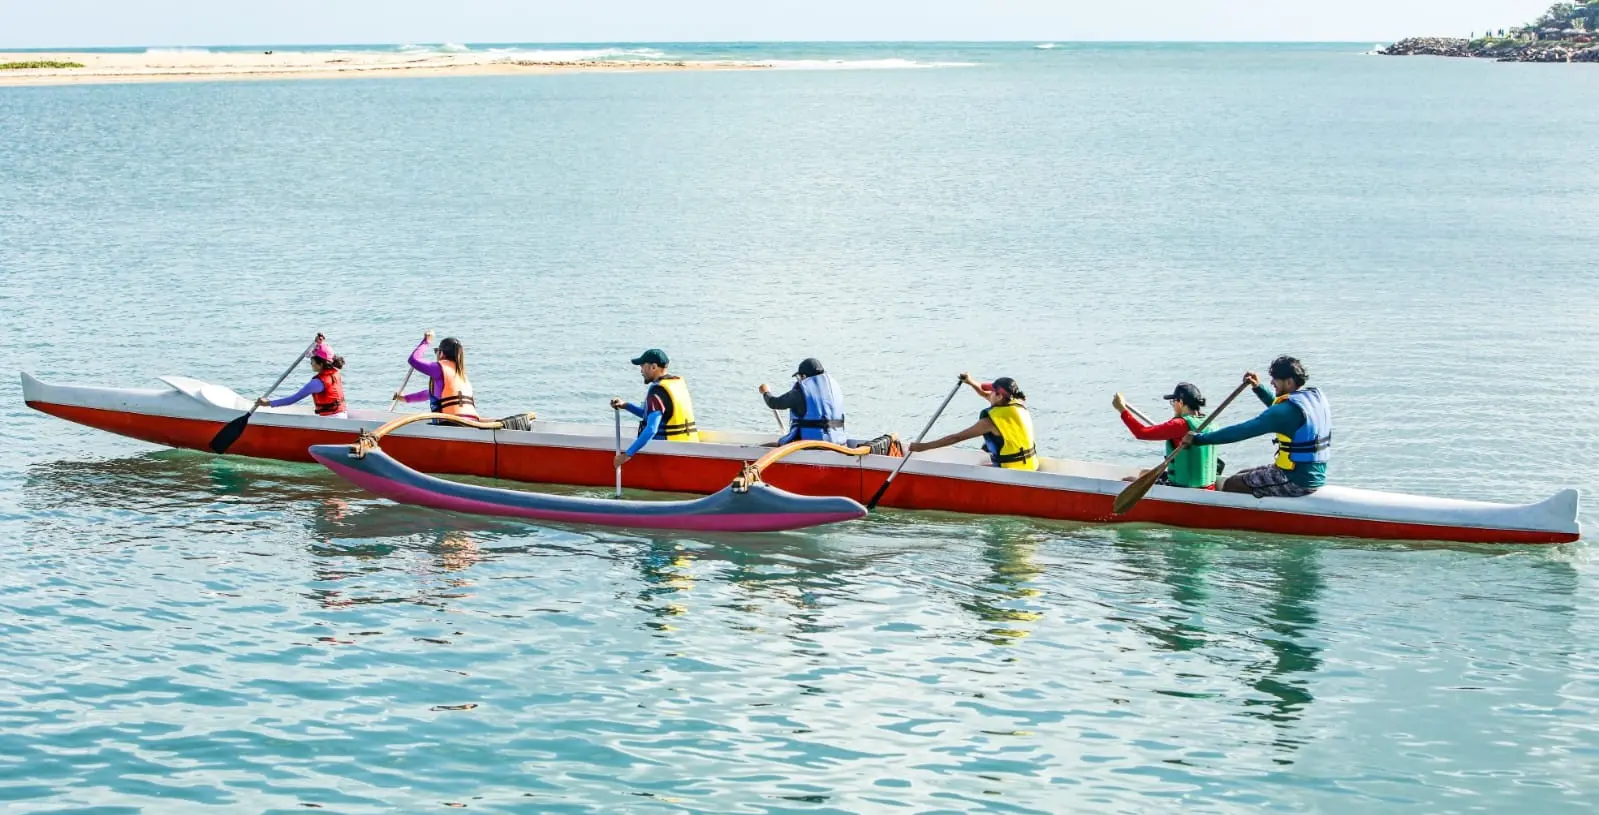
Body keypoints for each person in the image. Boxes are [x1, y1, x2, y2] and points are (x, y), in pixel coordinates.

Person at [1183, 356, 1330, 498]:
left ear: (1289, 382)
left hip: (1295, 481)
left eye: (1275, 379)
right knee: (1241, 474)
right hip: (1314, 475)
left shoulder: (1284, 412)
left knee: (1232, 484)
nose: (1272, 382)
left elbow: (1242, 431)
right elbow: (1280, 413)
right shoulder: (1311, 399)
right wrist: (1258, 388)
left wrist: (1199, 439)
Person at [908, 374, 1038, 471]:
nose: (989, 393)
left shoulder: (989, 422)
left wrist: (922, 447)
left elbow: (956, 437)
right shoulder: (1017, 405)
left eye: (993, 391)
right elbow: (984, 394)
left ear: (999, 396)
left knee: (977, 467)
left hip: (1011, 470)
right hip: (1030, 465)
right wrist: (970, 382)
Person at [1111, 382, 1219, 489]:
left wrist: (1122, 409)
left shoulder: (1180, 424)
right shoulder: (1210, 423)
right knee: (1144, 473)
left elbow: (1141, 432)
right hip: (1209, 486)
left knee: (1127, 481)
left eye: (1173, 402)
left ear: (1180, 402)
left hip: (1182, 488)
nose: (1173, 406)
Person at [610, 348, 698, 468]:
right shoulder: (674, 384)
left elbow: (651, 429)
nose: (641, 371)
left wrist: (627, 455)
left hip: (668, 451)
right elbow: (649, 414)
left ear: (653, 367)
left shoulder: (657, 392)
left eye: (643, 366)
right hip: (688, 444)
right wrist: (626, 405)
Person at [759, 357, 847, 445]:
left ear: (804, 376)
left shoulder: (802, 391)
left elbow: (774, 403)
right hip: (839, 443)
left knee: (764, 447)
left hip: (812, 445)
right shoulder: (833, 388)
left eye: (799, 376)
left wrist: (766, 392)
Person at [257, 334, 347, 418]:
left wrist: (268, 403)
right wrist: (316, 343)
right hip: (342, 414)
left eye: (312, 361)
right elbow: (311, 354)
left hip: (331, 418)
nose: (311, 363)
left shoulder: (317, 383)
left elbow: (293, 399)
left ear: (320, 364)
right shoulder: (335, 373)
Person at [394, 331, 478, 420]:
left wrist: (426, 341)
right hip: (471, 421)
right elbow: (429, 394)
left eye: (436, 351)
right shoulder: (461, 374)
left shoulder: (439, 368)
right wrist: (405, 398)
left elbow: (413, 360)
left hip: (450, 422)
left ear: (441, 353)